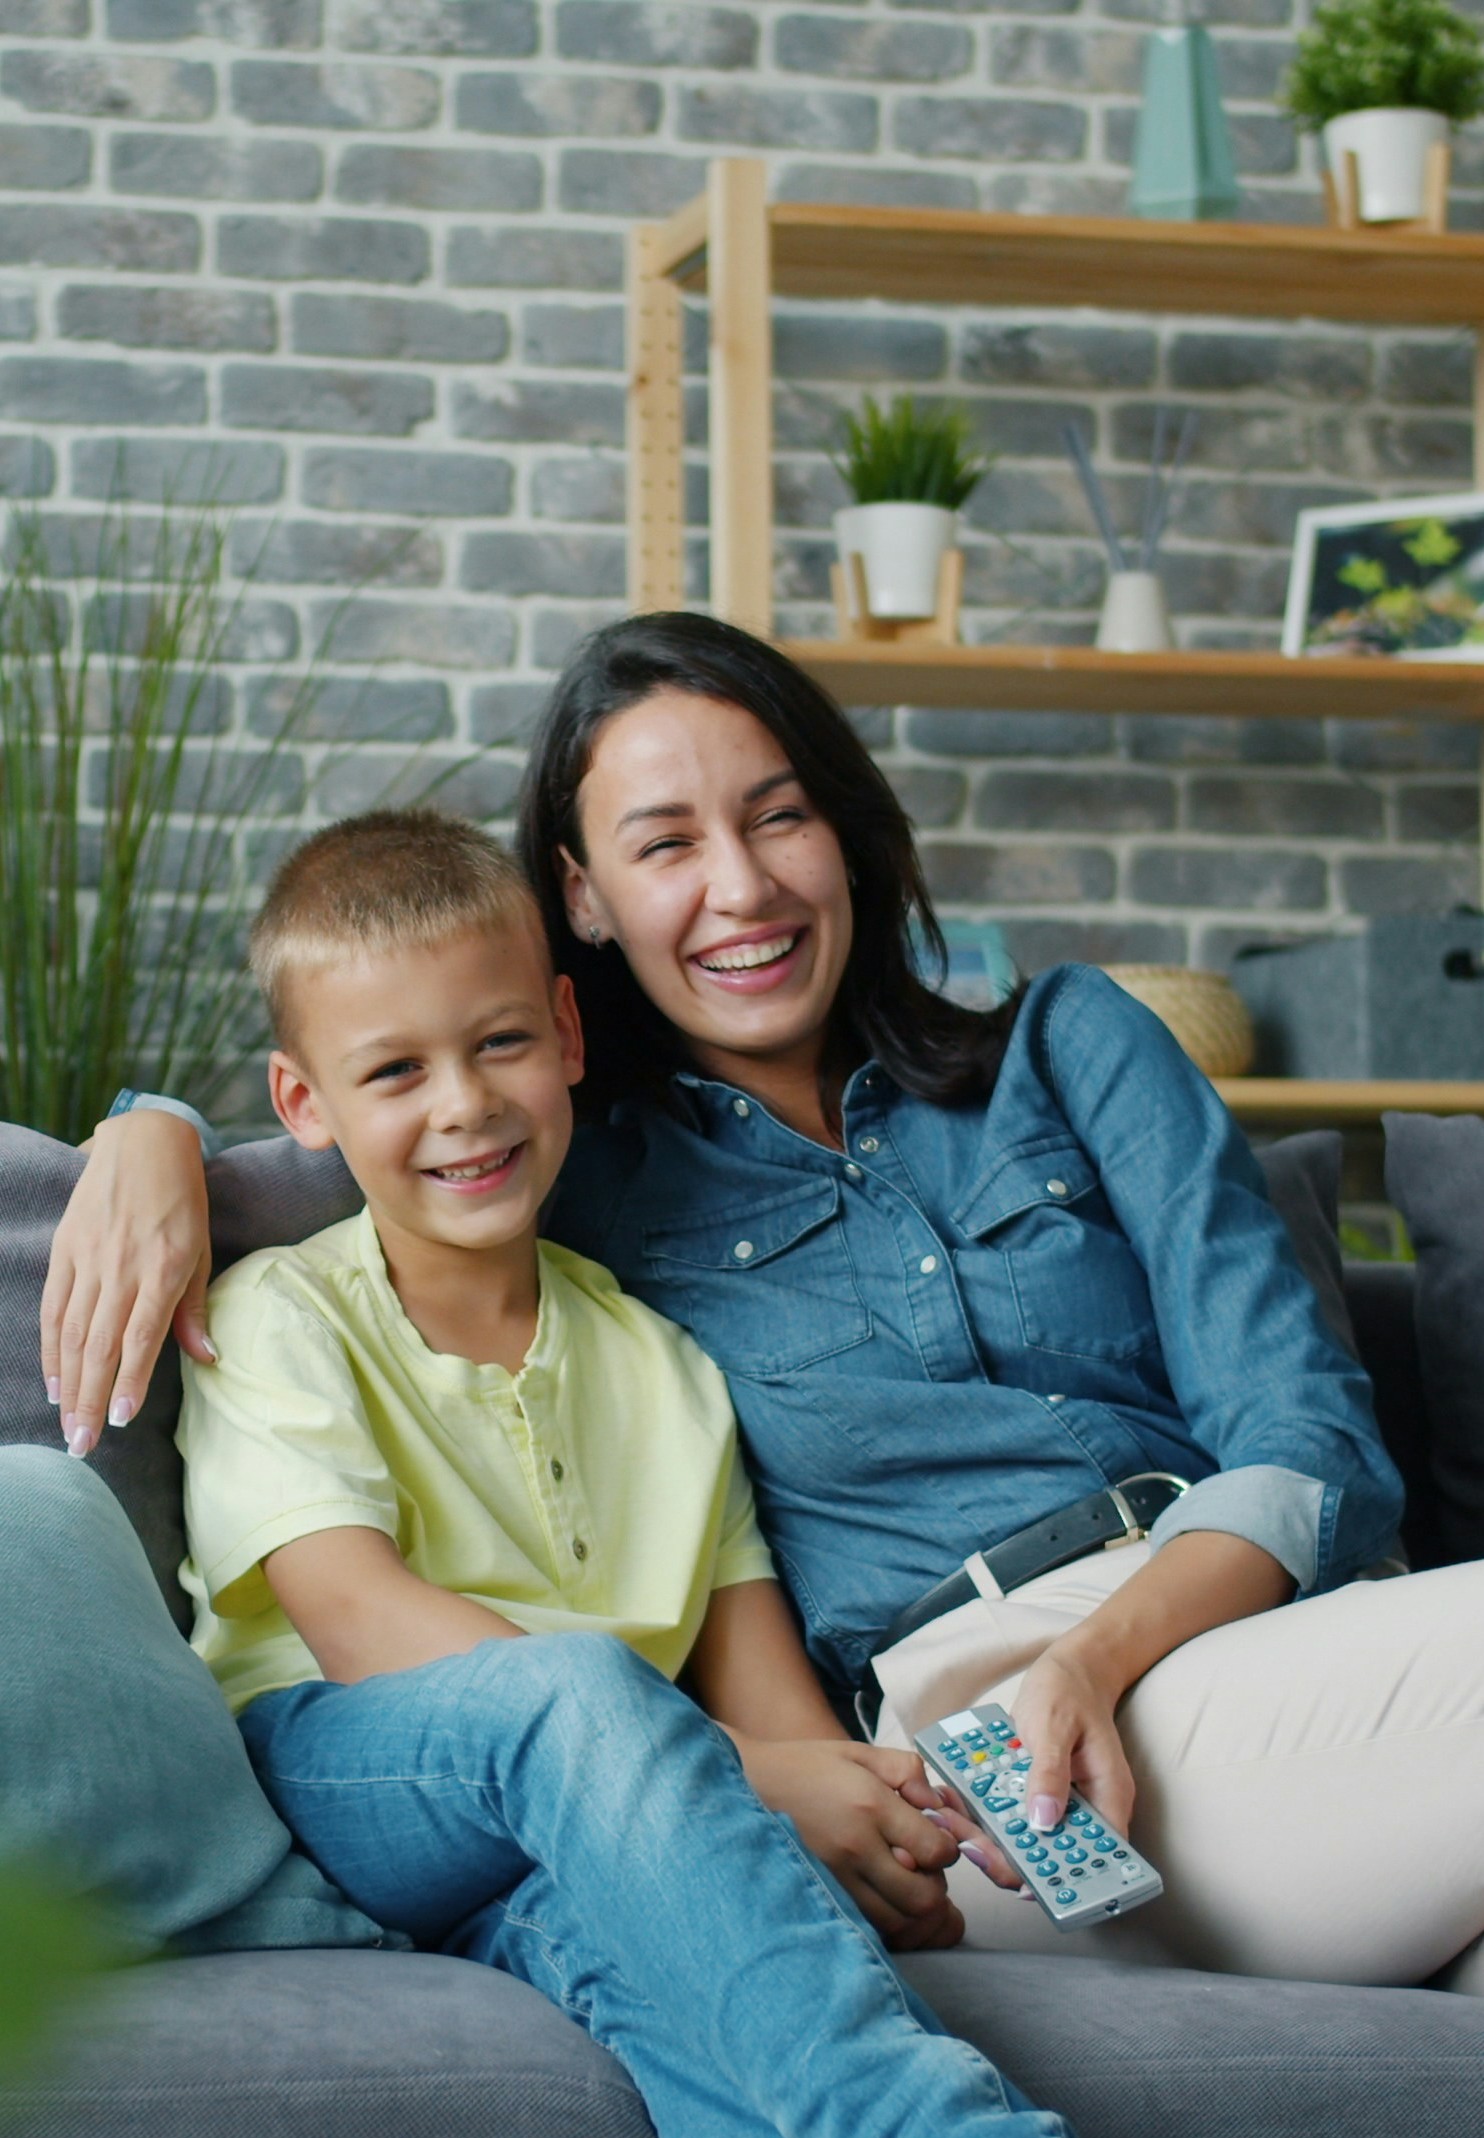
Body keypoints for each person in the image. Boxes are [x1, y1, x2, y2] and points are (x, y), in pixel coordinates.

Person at [50, 614, 1484, 1990]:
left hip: (1261, 1632)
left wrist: (1105, 1656)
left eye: (778, 817)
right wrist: (146, 1133)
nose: (740, 888)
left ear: (847, 830)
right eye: (666, 844)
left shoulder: (1076, 1044)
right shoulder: (575, 1164)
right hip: (987, 1733)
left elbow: (1307, 1438)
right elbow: (367, 1117)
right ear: (585, 903)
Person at [165, 804, 1078, 2138]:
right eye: (396, 1072)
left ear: (568, 1038)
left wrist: (866, 1814)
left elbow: (769, 1707)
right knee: (586, 1693)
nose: (465, 1105)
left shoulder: (665, 1365)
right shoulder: (279, 1314)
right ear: (307, 1105)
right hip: (355, 1778)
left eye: (502, 1044)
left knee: (700, 2018)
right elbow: (357, 1623)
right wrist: (752, 1781)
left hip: (588, 1847)